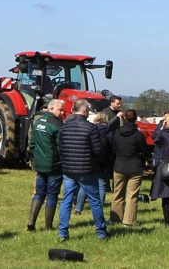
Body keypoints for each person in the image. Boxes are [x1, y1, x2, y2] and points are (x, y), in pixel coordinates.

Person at [57, 98, 108, 241]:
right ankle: (101, 232)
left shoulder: (64, 127)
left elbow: (60, 146)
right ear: (85, 110)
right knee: (94, 201)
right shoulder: (90, 128)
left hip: (68, 169)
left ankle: (62, 232)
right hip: (86, 169)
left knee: (66, 200)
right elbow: (97, 150)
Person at [29, 98, 65, 232]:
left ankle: (31, 222)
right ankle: (48, 226)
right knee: (52, 195)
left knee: (39, 193)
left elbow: (32, 144)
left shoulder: (37, 122)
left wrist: (36, 158)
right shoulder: (57, 125)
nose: (61, 113)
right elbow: (61, 146)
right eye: (60, 110)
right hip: (53, 165)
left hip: (39, 164)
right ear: (51, 109)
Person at [110, 108, 148, 227]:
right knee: (132, 195)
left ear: (125, 118)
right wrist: (141, 161)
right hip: (134, 166)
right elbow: (145, 151)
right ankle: (129, 221)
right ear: (136, 119)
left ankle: (115, 218)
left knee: (117, 194)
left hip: (119, 165)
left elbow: (114, 148)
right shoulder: (138, 134)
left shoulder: (117, 132)